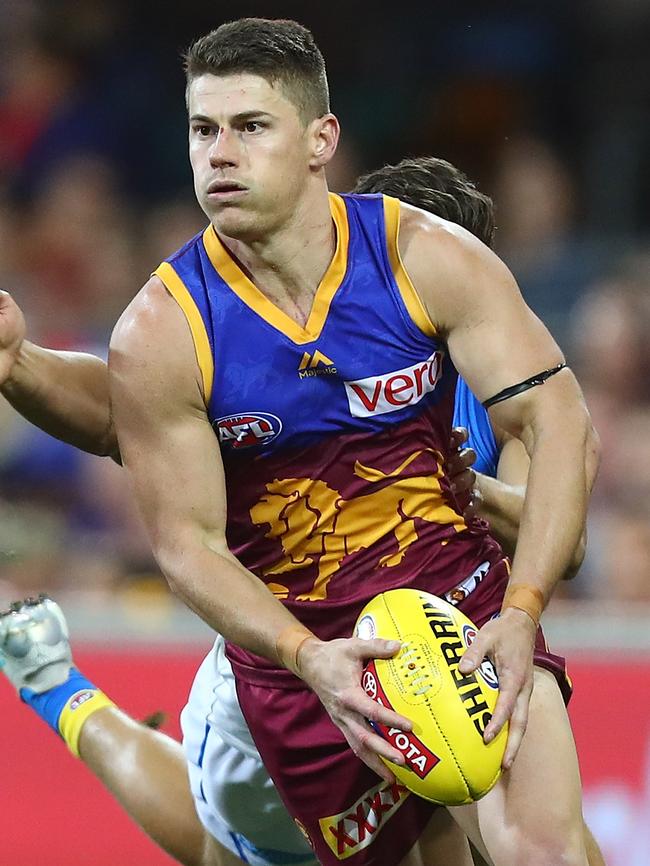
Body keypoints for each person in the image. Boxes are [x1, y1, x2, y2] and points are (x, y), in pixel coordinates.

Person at [2, 17, 599, 862]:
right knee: (225, 852)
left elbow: (561, 430)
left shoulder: (428, 264)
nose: (219, 153)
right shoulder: (164, 329)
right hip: (291, 655)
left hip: (447, 608)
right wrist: (20, 362)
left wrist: (521, 604)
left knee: (547, 851)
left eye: (249, 127)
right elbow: (172, 522)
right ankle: (65, 697)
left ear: (322, 141)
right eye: (203, 130)